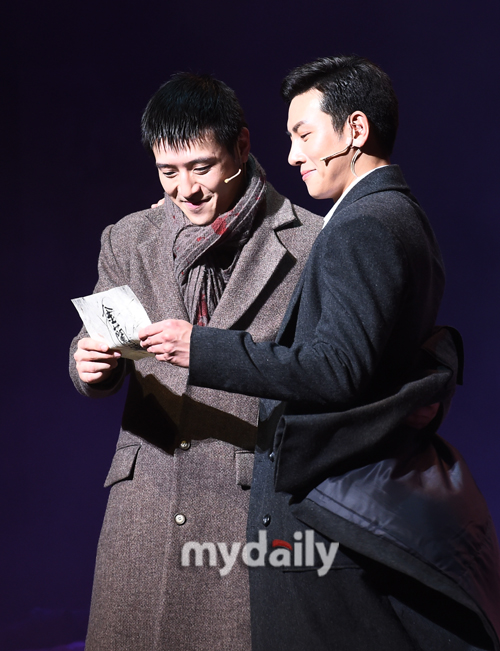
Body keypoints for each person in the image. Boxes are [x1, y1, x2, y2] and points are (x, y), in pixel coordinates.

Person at [140, 57, 500, 650]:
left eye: (304, 135)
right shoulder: (397, 213)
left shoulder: (365, 224)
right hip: (349, 503)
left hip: (327, 510)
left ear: (355, 130)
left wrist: (199, 346)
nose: (292, 155)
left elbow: (336, 369)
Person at [69, 73, 323, 651]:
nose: (185, 189)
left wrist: (213, 353)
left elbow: (319, 371)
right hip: (144, 504)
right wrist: (88, 366)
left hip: (243, 505)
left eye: (201, 167)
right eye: (168, 172)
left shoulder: (308, 243)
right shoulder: (128, 238)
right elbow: (97, 340)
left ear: (241, 145)